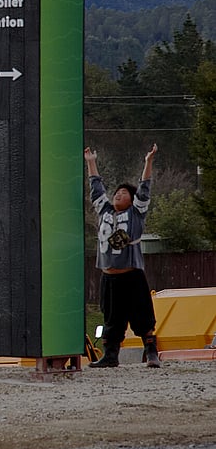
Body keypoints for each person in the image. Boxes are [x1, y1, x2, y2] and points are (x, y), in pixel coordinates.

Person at [85, 143, 161, 368]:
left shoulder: (136, 213)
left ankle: (151, 353)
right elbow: (96, 188)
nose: (118, 194)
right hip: (109, 276)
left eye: (124, 193)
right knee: (111, 317)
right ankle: (110, 355)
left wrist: (148, 162)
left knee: (142, 315)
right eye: (117, 193)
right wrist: (91, 162)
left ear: (132, 199)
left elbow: (144, 187)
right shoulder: (105, 211)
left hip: (132, 274)